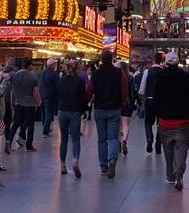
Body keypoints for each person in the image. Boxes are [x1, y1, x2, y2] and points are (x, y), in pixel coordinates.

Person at [154, 52, 189, 191]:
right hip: (182, 121)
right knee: (182, 149)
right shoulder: (185, 77)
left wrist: (158, 113)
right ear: (178, 62)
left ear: (165, 63)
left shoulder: (159, 78)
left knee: (168, 151)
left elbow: (155, 99)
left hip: (165, 121)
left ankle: (170, 176)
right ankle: (179, 170)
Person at [91, 49, 128, 178]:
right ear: (112, 59)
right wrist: (122, 103)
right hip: (114, 108)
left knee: (102, 139)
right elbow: (124, 89)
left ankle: (103, 166)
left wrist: (85, 104)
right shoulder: (119, 73)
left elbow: (90, 90)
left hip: (100, 108)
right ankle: (112, 160)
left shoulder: (95, 74)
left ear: (101, 60)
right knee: (113, 137)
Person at [58, 60, 88, 178]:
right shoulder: (80, 81)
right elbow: (83, 98)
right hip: (75, 112)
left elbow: (58, 95)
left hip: (63, 111)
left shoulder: (61, 80)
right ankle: (75, 160)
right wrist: (84, 110)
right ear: (77, 69)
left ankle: (62, 165)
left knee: (64, 139)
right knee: (75, 139)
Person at [5, 58, 41, 154]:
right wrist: (38, 102)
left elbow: (11, 90)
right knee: (30, 125)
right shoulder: (33, 77)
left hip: (18, 104)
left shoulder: (14, 76)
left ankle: (8, 141)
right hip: (29, 104)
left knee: (15, 124)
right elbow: (36, 93)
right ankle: (29, 146)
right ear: (29, 66)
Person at [139, 52, 164, 153]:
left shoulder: (147, 72)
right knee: (160, 123)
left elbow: (142, 89)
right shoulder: (164, 72)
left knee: (148, 122)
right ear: (161, 60)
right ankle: (158, 144)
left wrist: (142, 97)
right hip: (161, 102)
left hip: (149, 99)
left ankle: (149, 138)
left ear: (153, 60)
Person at [40, 58, 59, 137]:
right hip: (51, 96)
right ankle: (45, 132)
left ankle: (45, 127)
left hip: (42, 94)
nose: (55, 65)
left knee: (43, 112)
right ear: (51, 65)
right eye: (54, 64)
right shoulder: (54, 74)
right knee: (49, 114)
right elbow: (57, 85)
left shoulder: (42, 72)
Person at [120, 62, 135, 156]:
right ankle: (124, 140)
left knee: (117, 124)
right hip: (128, 103)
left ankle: (117, 142)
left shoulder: (116, 77)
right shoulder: (130, 78)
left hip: (117, 103)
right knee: (126, 124)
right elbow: (133, 91)